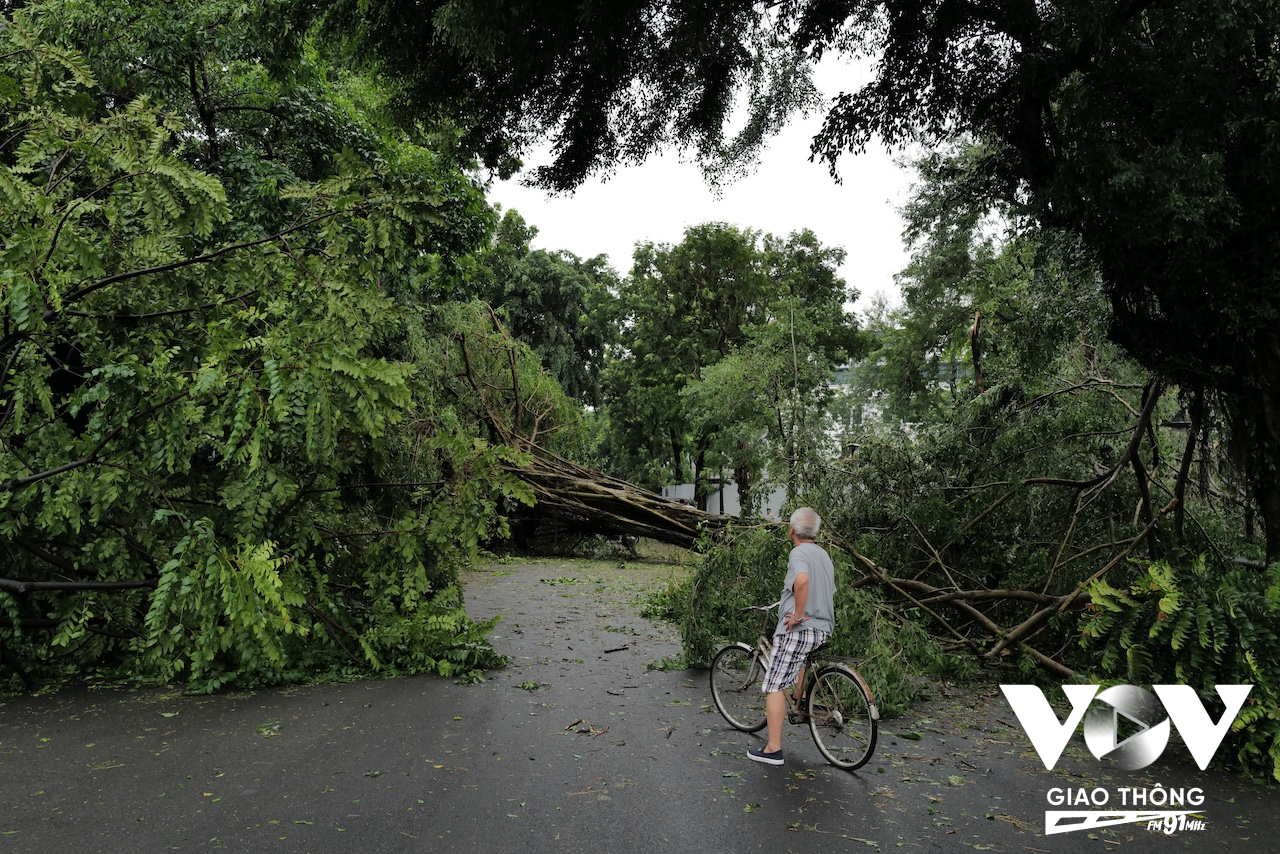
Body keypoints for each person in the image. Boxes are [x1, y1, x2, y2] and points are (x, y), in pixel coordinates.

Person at [747, 507, 836, 766]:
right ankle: (800, 697)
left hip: (801, 628)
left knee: (774, 685)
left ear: (792, 531)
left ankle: (773, 749)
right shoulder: (823, 555)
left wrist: (797, 614)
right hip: (823, 628)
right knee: (799, 659)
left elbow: (803, 582)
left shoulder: (798, 552)